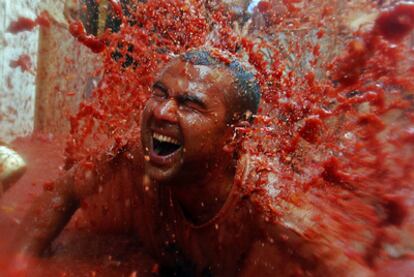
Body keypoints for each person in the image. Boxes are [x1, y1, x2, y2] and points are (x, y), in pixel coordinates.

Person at [4, 49, 370, 276]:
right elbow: (65, 189)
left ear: (235, 135)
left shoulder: (270, 203)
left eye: (190, 105)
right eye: (159, 94)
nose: (161, 112)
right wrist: (20, 264)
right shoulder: (130, 154)